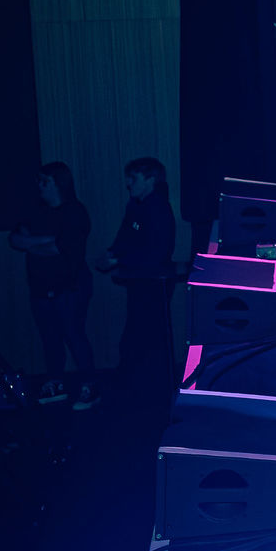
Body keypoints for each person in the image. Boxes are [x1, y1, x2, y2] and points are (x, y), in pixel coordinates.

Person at [9, 162, 95, 405]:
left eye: (44, 181)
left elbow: (61, 248)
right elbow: (15, 239)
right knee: (49, 336)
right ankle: (56, 382)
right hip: (39, 286)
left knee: (73, 334)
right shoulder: (36, 210)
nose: (39, 186)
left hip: (70, 285)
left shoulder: (75, 211)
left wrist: (33, 243)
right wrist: (47, 241)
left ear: (58, 183)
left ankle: (90, 385)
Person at [93, 156, 178, 397]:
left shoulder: (158, 208)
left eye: (133, 178)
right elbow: (125, 239)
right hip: (141, 282)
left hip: (154, 284)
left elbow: (156, 252)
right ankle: (145, 390)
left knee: (147, 336)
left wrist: (118, 260)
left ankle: (151, 391)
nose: (128, 183)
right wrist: (111, 254)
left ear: (150, 180)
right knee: (140, 336)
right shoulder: (136, 206)